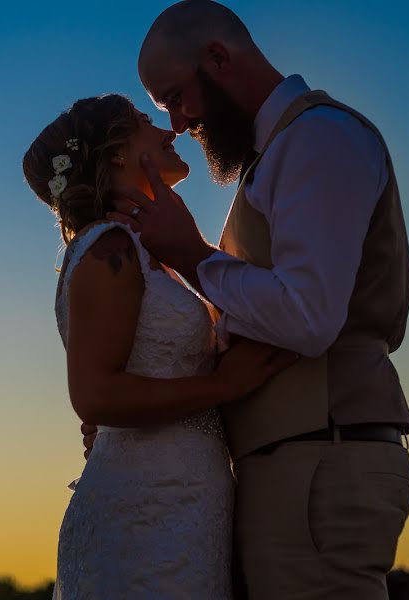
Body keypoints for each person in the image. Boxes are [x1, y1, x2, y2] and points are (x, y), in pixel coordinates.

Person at [88, 1, 409, 598]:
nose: (181, 123)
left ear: (218, 58)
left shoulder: (319, 138)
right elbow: (252, 323)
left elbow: (309, 316)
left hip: (322, 457)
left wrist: (193, 255)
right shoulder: (276, 156)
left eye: (177, 97)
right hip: (296, 461)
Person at [23, 94, 298, 598]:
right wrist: (223, 384)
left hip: (183, 505)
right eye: (148, 122)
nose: (171, 132)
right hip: (145, 513)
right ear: (117, 154)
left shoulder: (144, 252)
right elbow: (95, 396)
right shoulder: (111, 248)